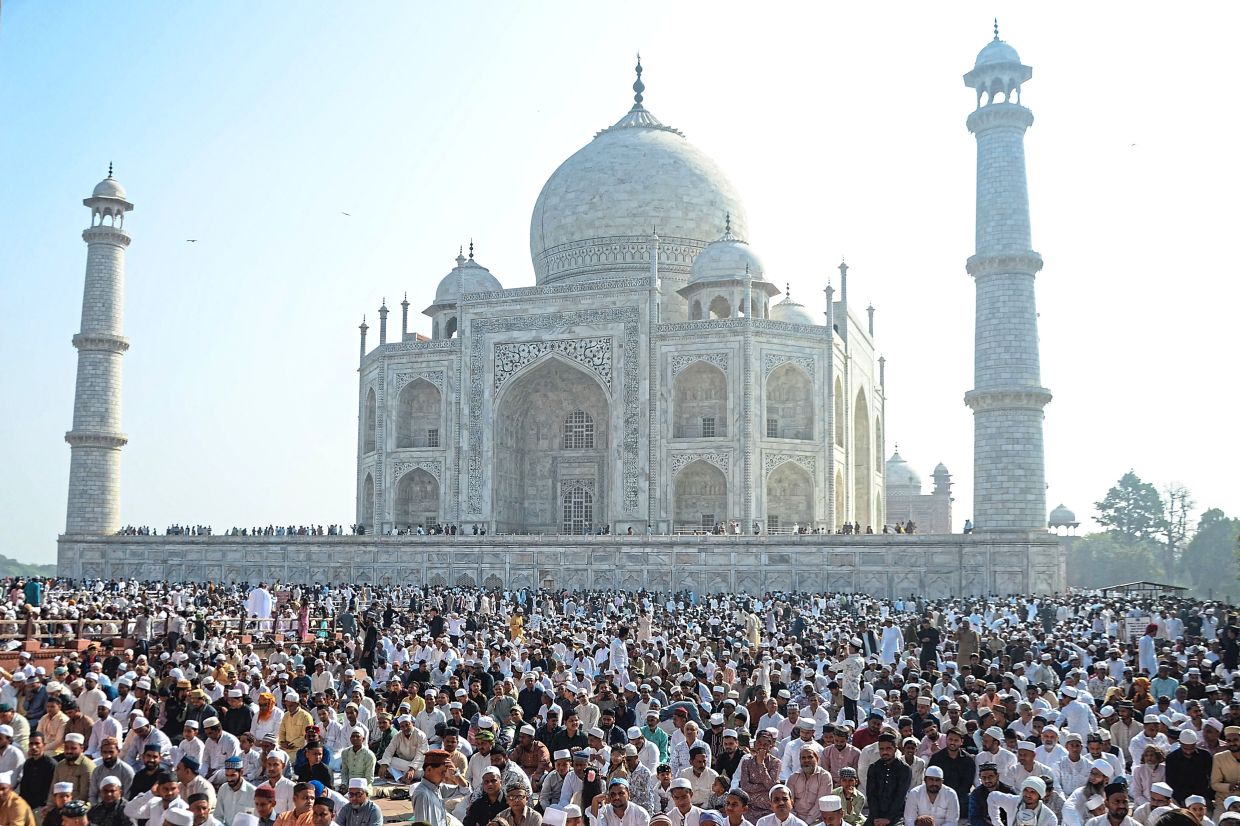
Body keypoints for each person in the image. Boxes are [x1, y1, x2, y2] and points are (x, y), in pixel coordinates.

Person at [987, 776, 1059, 826]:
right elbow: (992, 797)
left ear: (1040, 795)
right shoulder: (1013, 801)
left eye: (1032, 792)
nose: (1028, 794)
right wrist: (997, 823)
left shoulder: (1049, 817)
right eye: (1026, 790)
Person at [411, 749, 452, 826]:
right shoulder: (422, 794)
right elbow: (421, 824)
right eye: (442, 772)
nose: (445, 777)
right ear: (429, 770)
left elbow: (465, 791)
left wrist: (456, 773)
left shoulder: (438, 788)